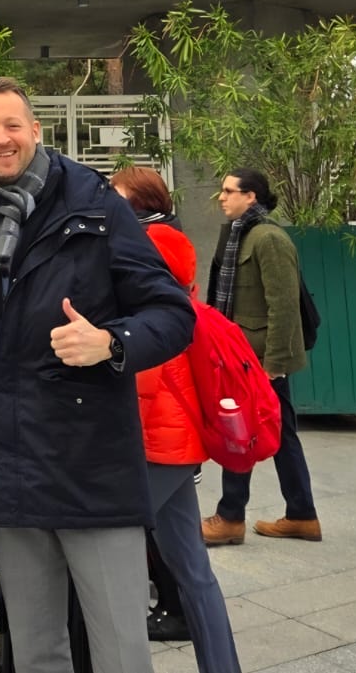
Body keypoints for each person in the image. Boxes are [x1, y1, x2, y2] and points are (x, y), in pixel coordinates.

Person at [0, 78, 195, 673]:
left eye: (12, 126)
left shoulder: (95, 204)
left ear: (35, 130)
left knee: (121, 653)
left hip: (93, 467)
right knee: (33, 651)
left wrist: (111, 341)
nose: (2, 139)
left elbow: (172, 312)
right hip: (9, 470)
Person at [110, 166, 240, 673]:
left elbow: (147, 351)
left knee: (114, 555)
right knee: (191, 568)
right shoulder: (166, 237)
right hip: (173, 428)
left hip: (158, 429)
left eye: (117, 198)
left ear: (139, 201)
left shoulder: (154, 242)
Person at [201, 169, 321, 547]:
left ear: (251, 196)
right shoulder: (238, 235)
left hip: (259, 359)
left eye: (228, 191)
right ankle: (302, 515)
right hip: (238, 353)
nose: (221, 197)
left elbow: (283, 306)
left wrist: (275, 365)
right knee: (280, 433)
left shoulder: (269, 238)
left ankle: (231, 517)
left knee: (240, 434)